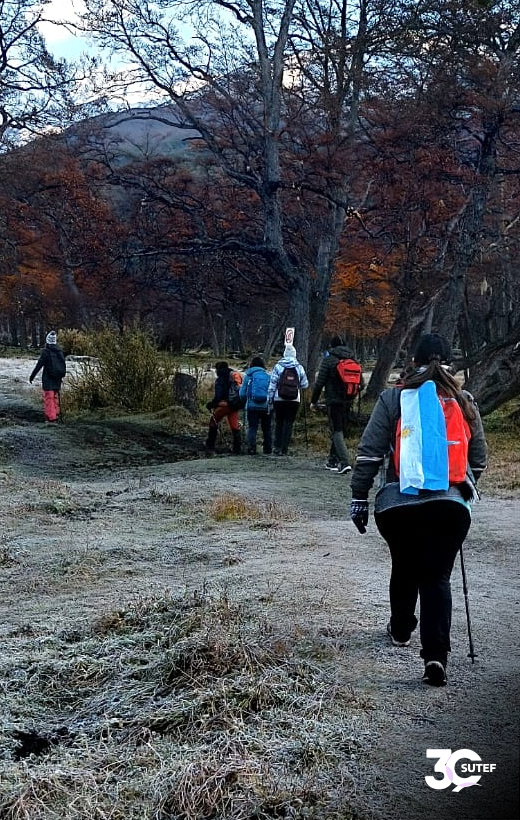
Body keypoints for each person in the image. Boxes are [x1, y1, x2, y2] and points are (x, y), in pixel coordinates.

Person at [349, 333, 488, 687]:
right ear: (450, 364)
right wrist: (464, 489)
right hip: (450, 506)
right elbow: (479, 460)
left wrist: (359, 497)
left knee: (404, 564)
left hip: (398, 505)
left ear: (412, 361)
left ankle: (400, 629)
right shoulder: (464, 401)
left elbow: (369, 453)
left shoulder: (393, 398)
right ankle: (436, 657)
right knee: (437, 576)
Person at [309, 334, 362, 474]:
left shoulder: (328, 360)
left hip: (333, 400)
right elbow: (361, 383)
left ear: (331, 346)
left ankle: (344, 462)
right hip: (348, 400)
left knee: (337, 430)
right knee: (340, 429)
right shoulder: (352, 359)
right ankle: (333, 460)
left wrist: (313, 401)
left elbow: (319, 383)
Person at [267, 344, 309, 455]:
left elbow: (272, 384)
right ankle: (284, 448)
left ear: (284, 354)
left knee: (279, 422)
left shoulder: (278, 366)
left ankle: (277, 446)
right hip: (294, 400)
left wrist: (270, 399)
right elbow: (305, 384)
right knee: (289, 423)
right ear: (295, 354)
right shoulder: (299, 367)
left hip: (279, 399)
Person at [205, 361, 242, 456]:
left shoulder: (222, 378)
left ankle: (210, 446)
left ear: (218, 369)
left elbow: (219, 395)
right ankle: (237, 449)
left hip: (225, 405)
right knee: (234, 426)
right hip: (235, 405)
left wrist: (212, 404)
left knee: (213, 421)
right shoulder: (234, 375)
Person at [29, 331, 66, 423]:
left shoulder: (45, 352)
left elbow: (39, 365)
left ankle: (51, 418)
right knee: (54, 397)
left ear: (47, 341)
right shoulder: (60, 351)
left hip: (48, 379)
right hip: (57, 378)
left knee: (49, 398)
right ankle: (56, 414)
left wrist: (32, 377)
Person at [239, 356, 272, 455]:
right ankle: (268, 449)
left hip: (252, 406)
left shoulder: (248, 376)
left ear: (252, 365)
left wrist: (245, 401)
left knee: (252, 427)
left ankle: (252, 448)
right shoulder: (267, 376)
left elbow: (242, 393)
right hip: (266, 406)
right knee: (267, 428)